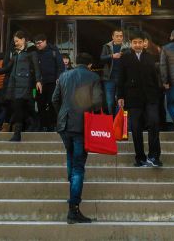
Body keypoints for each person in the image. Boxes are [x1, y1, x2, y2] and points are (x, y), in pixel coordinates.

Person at [52, 52, 103, 225]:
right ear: (89, 65)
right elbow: (97, 103)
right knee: (79, 167)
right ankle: (73, 208)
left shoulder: (64, 75)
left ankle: (72, 183)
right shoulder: (93, 76)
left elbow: (55, 99)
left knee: (71, 156)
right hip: (82, 125)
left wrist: (62, 113)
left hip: (64, 124)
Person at [116, 31, 163, 167]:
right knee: (136, 127)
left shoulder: (151, 57)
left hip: (150, 97)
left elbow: (155, 78)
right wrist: (120, 96)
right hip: (133, 98)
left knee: (154, 123)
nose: (137, 45)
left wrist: (157, 93)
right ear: (131, 44)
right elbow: (120, 78)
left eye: (140, 42)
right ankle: (140, 157)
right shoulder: (125, 58)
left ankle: (154, 156)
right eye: (135, 42)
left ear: (144, 43)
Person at [0, 31, 42, 142]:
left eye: (17, 41)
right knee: (20, 108)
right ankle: (28, 127)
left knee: (22, 108)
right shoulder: (16, 54)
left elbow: (37, 68)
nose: (15, 43)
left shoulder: (31, 52)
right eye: (14, 41)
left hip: (26, 85)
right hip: (15, 86)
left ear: (23, 40)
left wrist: (38, 81)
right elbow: (7, 68)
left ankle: (20, 133)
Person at [33, 34, 66, 131]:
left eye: (39, 43)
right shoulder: (36, 53)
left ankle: (52, 124)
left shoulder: (54, 51)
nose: (38, 45)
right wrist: (37, 80)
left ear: (45, 41)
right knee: (40, 104)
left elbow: (60, 66)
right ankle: (43, 125)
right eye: (36, 44)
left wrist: (58, 77)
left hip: (53, 82)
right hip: (40, 83)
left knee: (52, 103)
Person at [99, 29, 128, 115]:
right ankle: (111, 121)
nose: (119, 38)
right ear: (113, 37)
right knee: (110, 102)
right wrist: (112, 56)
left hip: (122, 78)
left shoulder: (126, 47)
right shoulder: (106, 46)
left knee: (121, 101)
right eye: (117, 36)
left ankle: (118, 122)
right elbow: (101, 59)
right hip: (109, 78)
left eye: (121, 36)